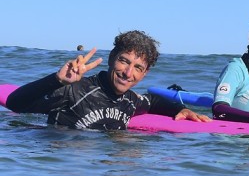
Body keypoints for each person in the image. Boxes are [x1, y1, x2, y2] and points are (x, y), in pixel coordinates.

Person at [6, 30, 211, 130]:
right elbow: (16, 103)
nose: (128, 72)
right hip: (65, 167)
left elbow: (153, 101)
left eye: (138, 68)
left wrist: (178, 109)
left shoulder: (131, 100)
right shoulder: (75, 90)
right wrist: (57, 80)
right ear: (112, 59)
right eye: (124, 61)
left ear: (144, 74)